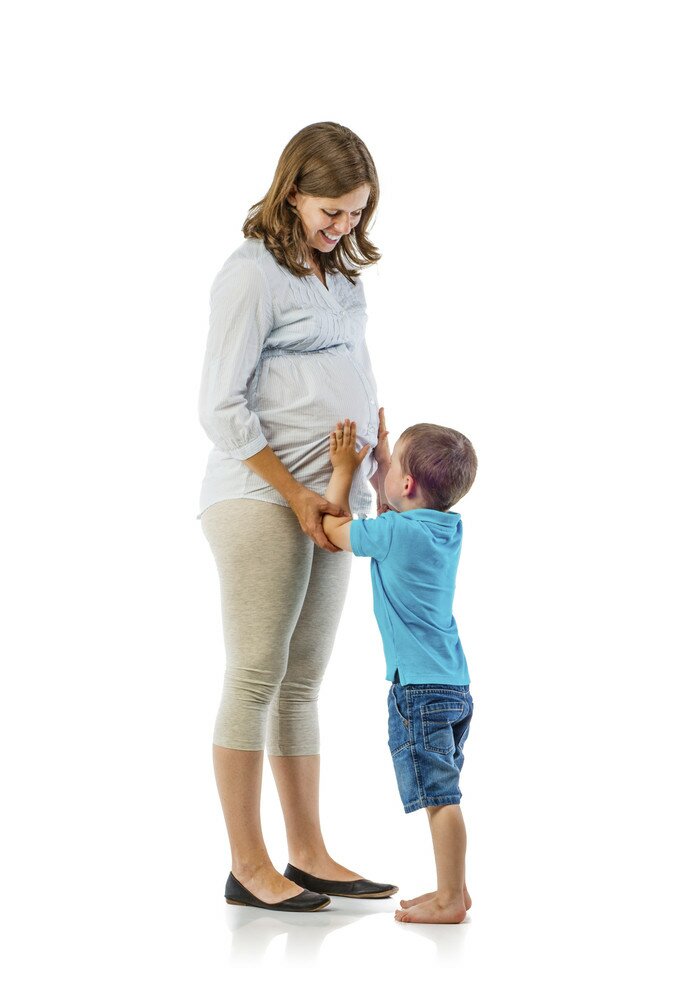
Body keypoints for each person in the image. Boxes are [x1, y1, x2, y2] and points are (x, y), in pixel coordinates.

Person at [198, 122, 397, 912]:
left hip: (335, 499)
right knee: (256, 675)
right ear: (291, 193)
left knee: (302, 682)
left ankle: (308, 853)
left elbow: (355, 378)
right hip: (261, 497)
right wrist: (293, 492)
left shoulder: (341, 277)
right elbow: (220, 406)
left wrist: (375, 463)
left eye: (356, 213)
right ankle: (247, 866)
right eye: (330, 211)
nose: (342, 226)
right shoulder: (250, 275)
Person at [321, 415, 478, 924]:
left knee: (441, 798)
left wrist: (343, 470)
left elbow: (332, 531)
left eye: (391, 471)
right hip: (453, 684)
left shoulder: (391, 533)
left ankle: (450, 900)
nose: (383, 475)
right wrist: (386, 461)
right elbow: (397, 511)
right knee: (443, 794)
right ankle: (455, 889)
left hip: (419, 689)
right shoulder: (445, 528)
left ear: (407, 485)